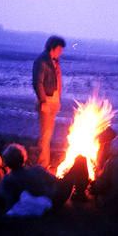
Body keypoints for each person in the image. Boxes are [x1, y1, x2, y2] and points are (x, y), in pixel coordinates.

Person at [0, 143, 89, 211]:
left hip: (47, 202)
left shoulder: (7, 180)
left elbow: (6, 200)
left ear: (7, 162)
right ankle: (80, 194)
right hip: (57, 198)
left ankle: (79, 193)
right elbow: (56, 181)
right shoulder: (37, 170)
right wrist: (66, 176)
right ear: (23, 157)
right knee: (81, 160)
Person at [32, 36, 66, 169]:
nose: (61, 52)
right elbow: (37, 82)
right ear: (52, 47)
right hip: (46, 100)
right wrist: (43, 101)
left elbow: (57, 80)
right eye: (59, 49)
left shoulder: (55, 62)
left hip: (54, 99)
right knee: (45, 136)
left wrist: (58, 98)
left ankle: (44, 163)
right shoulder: (41, 61)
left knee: (48, 134)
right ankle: (42, 165)